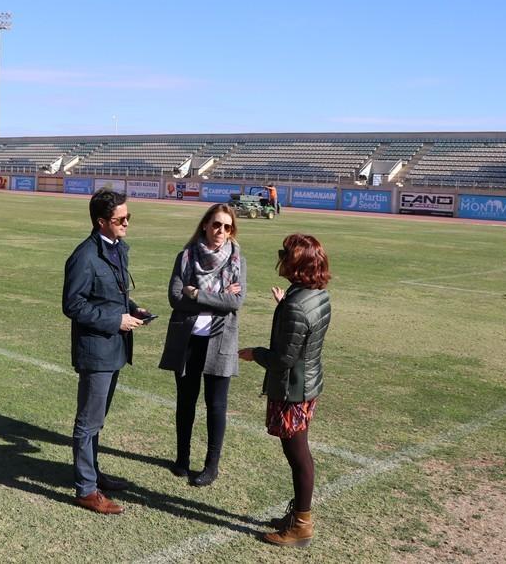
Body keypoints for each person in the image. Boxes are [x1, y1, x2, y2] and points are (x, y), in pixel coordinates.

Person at [238, 233, 331, 547]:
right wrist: (285, 306)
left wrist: (254, 353)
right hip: (308, 383)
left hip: (294, 390)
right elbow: (304, 333)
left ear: (297, 264)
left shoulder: (296, 305)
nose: (280, 257)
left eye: (285, 254)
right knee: (299, 453)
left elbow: (283, 359)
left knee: (298, 455)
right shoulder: (316, 294)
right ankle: (298, 517)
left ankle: (302, 525)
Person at [63, 188, 150, 515]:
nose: (126, 223)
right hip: (96, 350)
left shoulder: (116, 248)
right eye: (120, 219)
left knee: (97, 420)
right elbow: (73, 305)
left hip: (114, 347)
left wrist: (133, 308)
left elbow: (111, 294)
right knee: (88, 421)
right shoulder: (84, 256)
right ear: (101, 222)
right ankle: (86, 489)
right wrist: (116, 320)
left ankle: (93, 473)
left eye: (128, 217)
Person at [158, 203, 245, 487]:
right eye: (217, 224)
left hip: (221, 340)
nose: (221, 231)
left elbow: (236, 302)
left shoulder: (236, 260)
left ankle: (211, 466)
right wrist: (219, 295)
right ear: (205, 224)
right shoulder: (185, 256)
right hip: (188, 338)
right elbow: (174, 297)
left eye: (227, 227)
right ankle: (182, 459)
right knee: (185, 402)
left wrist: (196, 294)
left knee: (216, 405)